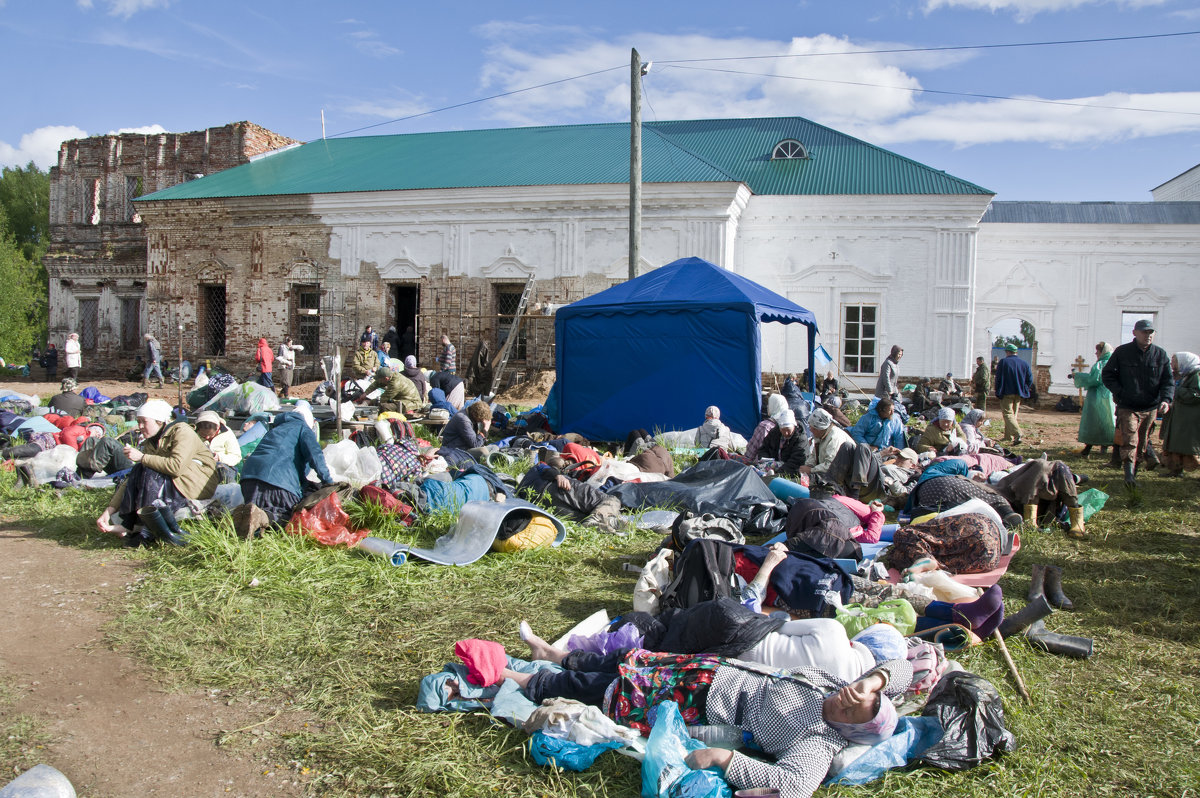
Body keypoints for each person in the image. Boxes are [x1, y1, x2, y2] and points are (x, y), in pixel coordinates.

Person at [495, 641, 911, 798]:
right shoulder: (834, 685)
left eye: (852, 707)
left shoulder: (820, 741)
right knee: (622, 662)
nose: (848, 696)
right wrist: (876, 680)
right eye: (856, 692)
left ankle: (522, 679)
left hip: (699, 700)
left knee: (602, 690)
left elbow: (795, 787)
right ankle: (551, 654)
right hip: (708, 668)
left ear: (850, 728)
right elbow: (904, 665)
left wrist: (722, 759)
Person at [95, 399, 219, 546]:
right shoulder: (151, 442)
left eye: (144, 422)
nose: (140, 427)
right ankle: (129, 524)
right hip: (172, 482)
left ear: (159, 421)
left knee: (148, 469)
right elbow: (132, 480)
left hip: (195, 483)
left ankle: (142, 529)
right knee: (139, 469)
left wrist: (142, 457)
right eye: (138, 421)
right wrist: (109, 510)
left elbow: (176, 467)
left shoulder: (182, 431)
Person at [1102, 319, 1174, 487]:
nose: (1147, 335)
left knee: (1142, 441)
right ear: (1135, 333)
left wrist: (1166, 400)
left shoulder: (1160, 354)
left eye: (1150, 332)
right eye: (1144, 332)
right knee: (1130, 439)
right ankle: (1128, 476)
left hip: (1150, 407)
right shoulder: (1122, 352)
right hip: (1128, 406)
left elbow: (1167, 381)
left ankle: (1135, 473)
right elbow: (1108, 375)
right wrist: (1120, 392)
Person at [239, 408, 333, 526]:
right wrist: (328, 482)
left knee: (251, 515)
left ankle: (228, 518)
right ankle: (265, 517)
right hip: (276, 480)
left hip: (248, 478)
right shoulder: (302, 428)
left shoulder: (276, 429)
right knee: (290, 518)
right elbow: (316, 456)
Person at [885, 511, 1004, 579]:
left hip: (979, 526)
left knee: (903, 533)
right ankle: (924, 560)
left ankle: (923, 558)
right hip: (989, 559)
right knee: (897, 556)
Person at [1071, 342, 1116, 459]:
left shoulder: (1101, 364)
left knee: (1094, 421)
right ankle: (1105, 447)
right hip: (1111, 396)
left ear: (1102, 352)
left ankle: (1087, 448)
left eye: (1098, 351)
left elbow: (1093, 379)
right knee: (1108, 420)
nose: (1096, 354)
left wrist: (1078, 376)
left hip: (1097, 396)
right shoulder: (1115, 362)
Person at [1160, 351, 1200, 477]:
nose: (1172, 363)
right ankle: (1176, 470)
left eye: (1175, 361)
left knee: (1186, 445)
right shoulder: (1186, 374)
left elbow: (1196, 394)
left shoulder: (1196, 375)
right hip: (1181, 417)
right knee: (1176, 443)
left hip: (1190, 418)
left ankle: (1183, 469)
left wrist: (1177, 389)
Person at [799, 408, 854, 481]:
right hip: (826, 472)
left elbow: (830, 465)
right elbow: (814, 455)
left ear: (820, 429)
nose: (811, 430)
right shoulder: (820, 435)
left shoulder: (835, 438)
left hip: (842, 476)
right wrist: (807, 465)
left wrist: (811, 470)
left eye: (813, 428)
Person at [994, 343, 1033, 447]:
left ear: (1007, 352)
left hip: (1007, 392)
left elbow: (998, 378)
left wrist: (997, 390)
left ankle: (1018, 433)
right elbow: (1030, 379)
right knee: (1013, 415)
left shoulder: (1003, 362)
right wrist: (1025, 388)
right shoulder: (1024, 363)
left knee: (1007, 414)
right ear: (1016, 352)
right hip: (1019, 393)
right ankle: (1008, 436)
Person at [760, 409, 808, 475]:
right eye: (783, 430)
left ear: (794, 426)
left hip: (790, 470)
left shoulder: (801, 438)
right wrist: (767, 461)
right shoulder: (775, 432)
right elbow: (763, 448)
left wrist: (779, 473)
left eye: (788, 430)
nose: (786, 433)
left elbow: (797, 461)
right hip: (775, 465)